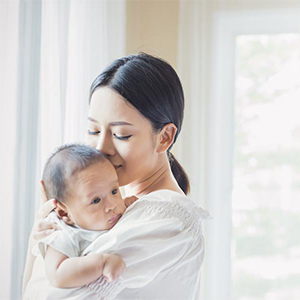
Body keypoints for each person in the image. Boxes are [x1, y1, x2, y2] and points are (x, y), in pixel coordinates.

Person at [23, 53, 210, 300]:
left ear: (164, 137)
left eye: (121, 135)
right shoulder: (109, 210)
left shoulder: (165, 219)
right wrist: (37, 239)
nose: (101, 148)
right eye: (94, 130)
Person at [24, 143, 137, 298]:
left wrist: (126, 204)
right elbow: (57, 274)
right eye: (96, 200)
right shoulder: (62, 231)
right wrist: (101, 263)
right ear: (65, 213)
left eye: (114, 191)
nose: (112, 205)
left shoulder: (105, 214)